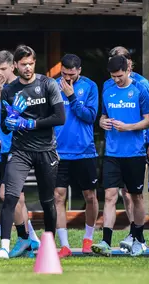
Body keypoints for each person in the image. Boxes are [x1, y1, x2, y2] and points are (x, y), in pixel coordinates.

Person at [0, 45, 65, 259]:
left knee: (47, 200)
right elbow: (7, 126)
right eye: (23, 64)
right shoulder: (10, 90)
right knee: (9, 197)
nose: (28, 67)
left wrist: (30, 123)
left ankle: (49, 245)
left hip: (45, 150)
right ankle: (5, 247)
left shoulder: (48, 84)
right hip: (20, 151)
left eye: (31, 63)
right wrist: (9, 119)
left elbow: (59, 118)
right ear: (16, 66)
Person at [91, 55, 149, 257]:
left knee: (135, 197)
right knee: (109, 195)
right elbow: (103, 115)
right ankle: (105, 242)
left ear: (128, 70)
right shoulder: (107, 89)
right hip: (112, 153)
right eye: (113, 76)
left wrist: (128, 127)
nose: (116, 79)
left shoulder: (140, 89)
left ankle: (137, 237)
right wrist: (102, 122)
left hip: (134, 153)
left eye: (119, 75)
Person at [0, 50, 41, 256]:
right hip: (0, 152)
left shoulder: (19, 89)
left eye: (3, 69)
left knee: (9, 196)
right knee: (16, 198)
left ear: (12, 66)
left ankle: (24, 239)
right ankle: (31, 239)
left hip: (15, 150)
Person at [54, 54, 99, 258]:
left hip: (84, 151)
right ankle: (64, 245)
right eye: (64, 74)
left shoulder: (90, 87)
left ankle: (88, 240)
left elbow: (90, 116)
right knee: (58, 197)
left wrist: (71, 96)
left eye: (71, 74)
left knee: (90, 196)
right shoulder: (53, 86)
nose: (68, 78)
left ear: (79, 71)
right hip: (58, 152)